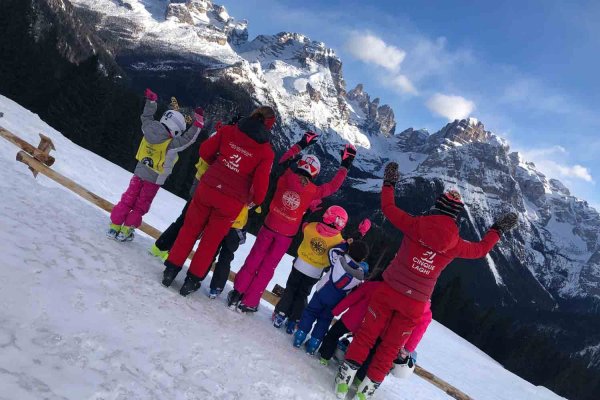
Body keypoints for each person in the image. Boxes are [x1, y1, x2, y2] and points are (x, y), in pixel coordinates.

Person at [334, 162, 519, 400]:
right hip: (415, 304)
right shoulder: (455, 244)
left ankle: (342, 384)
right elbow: (481, 250)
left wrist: (390, 181)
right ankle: (364, 393)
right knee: (389, 348)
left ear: (436, 207)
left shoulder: (414, 224)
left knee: (367, 335)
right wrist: (497, 229)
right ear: (455, 216)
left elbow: (388, 207)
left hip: (388, 290)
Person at [228, 131, 356, 313]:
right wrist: (345, 164)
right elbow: (333, 186)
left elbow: (284, 160)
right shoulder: (313, 191)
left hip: (268, 226)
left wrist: (302, 143)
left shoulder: (285, 176)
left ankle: (237, 292)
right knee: (267, 268)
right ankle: (250, 301)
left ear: (301, 165)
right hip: (286, 236)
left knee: (254, 259)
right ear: (316, 173)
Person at [161, 106, 276, 297]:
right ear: (269, 126)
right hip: (231, 201)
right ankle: (191, 281)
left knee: (189, 230)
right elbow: (261, 187)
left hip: (208, 188)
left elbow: (205, 151)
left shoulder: (229, 131)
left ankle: (170, 271)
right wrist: (254, 200)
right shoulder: (266, 152)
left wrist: (222, 161)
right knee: (210, 241)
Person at [107, 88, 204, 241]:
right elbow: (188, 140)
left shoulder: (147, 128)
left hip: (139, 172)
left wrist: (151, 101)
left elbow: (146, 116)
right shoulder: (170, 143)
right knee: (140, 205)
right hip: (154, 179)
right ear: (176, 129)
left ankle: (114, 226)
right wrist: (197, 124)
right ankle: (126, 230)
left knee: (128, 198)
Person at [272, 205, 348, 333]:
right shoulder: (339, 241)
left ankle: (280, 314)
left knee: (290, 290)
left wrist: (310, 211)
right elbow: (347, 248)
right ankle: (294, 321)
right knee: (303, 294)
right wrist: (360, 234)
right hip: (315, 271)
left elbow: (303, 223)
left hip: (299, 264)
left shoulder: (311, 227)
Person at [293, 240, 370, 355]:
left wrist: (345, 244)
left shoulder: (339, 259)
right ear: (363, 259)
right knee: (324, 321)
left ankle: (299, 337)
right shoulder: (360, 275)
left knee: (310, 313)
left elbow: (332, 251)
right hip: (336, 301)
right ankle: (313, 345)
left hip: (322, 292)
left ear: (349, 250)